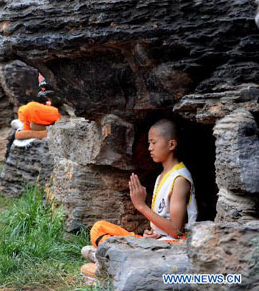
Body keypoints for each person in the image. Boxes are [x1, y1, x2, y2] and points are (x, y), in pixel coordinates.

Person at [80, 118, 197, 281]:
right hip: (158, 242)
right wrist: (152, 234)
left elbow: (176, 231)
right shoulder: (162, 176)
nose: (149, 148)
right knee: (99, 228)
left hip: (174, 247)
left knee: (93, 249)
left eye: (153, 142)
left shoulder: (179, 179)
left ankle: (110, 262)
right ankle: (110, 259)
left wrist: (141, 206)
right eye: (149, 143)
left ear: (171, 145)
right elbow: (163, 224)